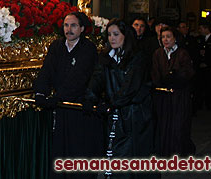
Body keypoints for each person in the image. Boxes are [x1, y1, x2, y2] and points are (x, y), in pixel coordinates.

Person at [33, 11, 103, 178]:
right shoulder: (56, 46)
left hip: (79, 107)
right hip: (62, 109)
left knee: (78, 152)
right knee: (60, 152)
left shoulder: (88, 49)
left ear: (82, 29)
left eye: (73, 25)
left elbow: (79, 78)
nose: (69, 29)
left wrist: (57, 97)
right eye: (66, 25)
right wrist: (40, 92)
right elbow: (46, 71)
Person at [87, 19, 154, 178]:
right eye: (109, 35)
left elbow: (130, 88)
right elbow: (96, 80)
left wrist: (110, 103)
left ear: (126, 35)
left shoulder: (138, 58)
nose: (112, 38)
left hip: (135, 116)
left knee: (132, 159)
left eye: (116, 34)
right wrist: (89, 99)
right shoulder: (107, 57)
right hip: (116, 115)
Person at [151, 26, 196, 156]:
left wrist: (173, 77)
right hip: (163, 95)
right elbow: (155, 73)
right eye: (163, 37)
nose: (165, 39)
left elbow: (187, 72)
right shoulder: (158, 53)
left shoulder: (182, 53)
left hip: (179, 95)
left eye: (168, 37)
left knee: (178, 124)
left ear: (175, 38)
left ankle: (178, 151)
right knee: (163, 124)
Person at [193, 22, 211, 111]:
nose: (200, 30)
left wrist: (207, 61)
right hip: (199, 68)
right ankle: (198, 105)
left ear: (206, 29)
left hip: (210, 68)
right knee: (199, 87)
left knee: (210, 87)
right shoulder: (198, 39)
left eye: (201, 28)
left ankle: (209, 105)